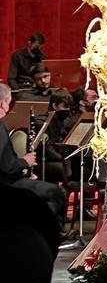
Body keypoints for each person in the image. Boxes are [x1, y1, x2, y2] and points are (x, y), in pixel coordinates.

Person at [0, 83, 67, 219]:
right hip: (6, 185)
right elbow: (7, 166)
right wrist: (25, 161)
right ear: (2, 104)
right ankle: (37, 231)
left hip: (8, 180)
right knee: (57, 193)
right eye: (9, 101)